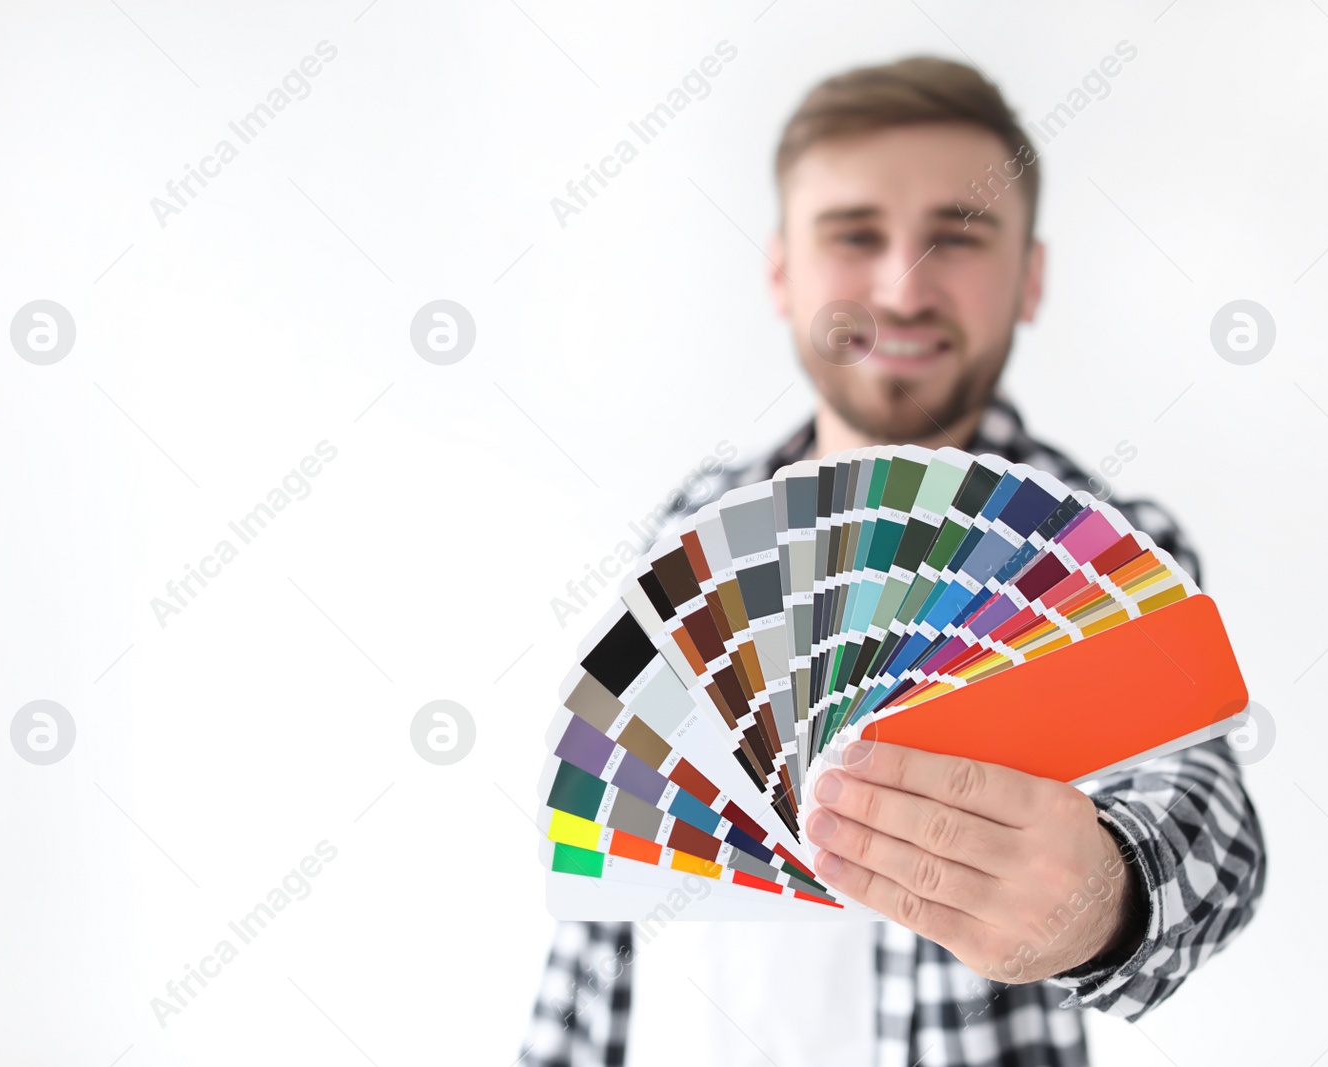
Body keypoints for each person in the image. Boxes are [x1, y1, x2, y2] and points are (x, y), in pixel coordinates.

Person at [519, 54, 1265, 1067]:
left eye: (957, 235)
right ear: (781, 272)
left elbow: (1203, 808)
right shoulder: (686, 525)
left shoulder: (1099, 555)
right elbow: (608, 874)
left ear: (1029, 276)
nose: (900, 286)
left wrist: (1105, 897)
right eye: (854, 234)